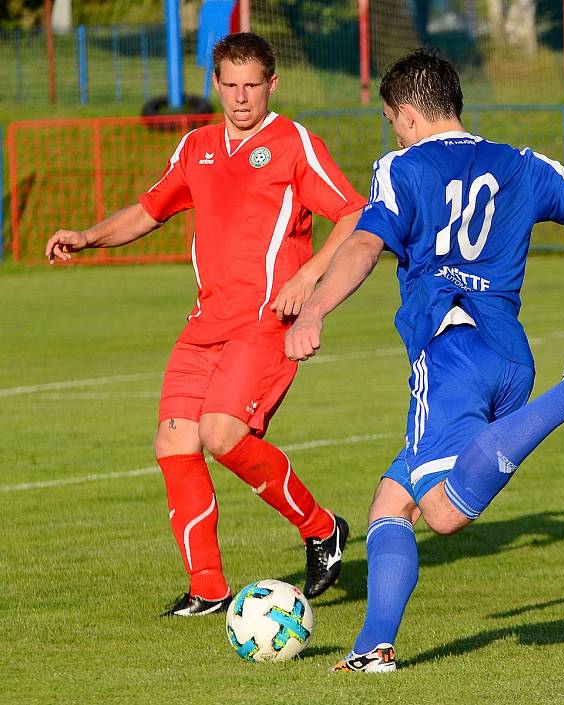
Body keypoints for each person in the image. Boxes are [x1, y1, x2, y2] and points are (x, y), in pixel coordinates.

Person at [283, 49, 564, 672]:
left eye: (393, 118)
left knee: (443, 514)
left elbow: (366, 242)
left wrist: (313, 310)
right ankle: (372, 649)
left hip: (449, 350)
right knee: (392, 503)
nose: (393, 130)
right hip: (509, 354)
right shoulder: (522, 164)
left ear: (407, 114)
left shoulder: (399, 168)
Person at [45, 32, 366, 616]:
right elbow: (149, 209)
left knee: (222, 435)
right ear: (216, 85)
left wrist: (310, 277)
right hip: (205, 323)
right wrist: (88, 236)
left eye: (253, 86)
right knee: (174, 442)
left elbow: (354, 212)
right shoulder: (196, 147)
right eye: (230, 85)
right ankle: (209, 589)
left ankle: (321, 529)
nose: (241, 98)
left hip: (265, 322)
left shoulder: (293, 143)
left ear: (272, 84)